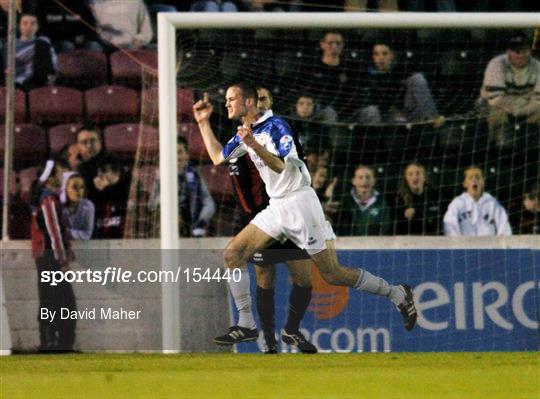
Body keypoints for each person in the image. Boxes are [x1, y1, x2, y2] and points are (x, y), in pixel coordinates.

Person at [192, 82, 417, 346]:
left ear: (249, 102)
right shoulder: (247, 132)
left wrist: (254, 145)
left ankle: (397, 293)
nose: (227, 104)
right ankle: (246, 323)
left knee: (332, 274)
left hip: (300, 203)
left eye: (231, 99)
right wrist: (203, 122)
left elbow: (281, 167)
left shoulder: (278, 127)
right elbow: (218, 156)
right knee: (233, 254)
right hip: (277, 206)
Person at [212, 86, 317, 353]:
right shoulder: (242, 141)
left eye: (264, 99)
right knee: (263, 277)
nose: (259, 104)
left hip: (291, 210)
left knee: (304, 279)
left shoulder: (278, 130)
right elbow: (236, 181)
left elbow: (289, 165)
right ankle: (268, 341)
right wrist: (253, 218)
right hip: (263, 216)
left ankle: (292, 330)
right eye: (255, 99)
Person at [31, 160, 76, 352]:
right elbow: (53, 232)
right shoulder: (48, 201)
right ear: (50, 178)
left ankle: (54, 342)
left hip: (48, 257)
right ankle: (55, 342)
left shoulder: (51, 199)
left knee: (53, 300)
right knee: (60, 301)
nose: (64, 176)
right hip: (50, 259)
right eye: (61, 173)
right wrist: (62, 258)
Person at [354, 41, 444, 127]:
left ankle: (434, 118)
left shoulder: (399, 72)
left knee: (418, 78)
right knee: (374, 112)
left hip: (406, 114)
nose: (380, 58)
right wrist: (392, 110)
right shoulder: (369, 77)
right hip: (384, 117)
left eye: (384, 54)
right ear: (373, 57)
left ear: (391, 55)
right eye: (376, 54)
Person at [479, 32, 540, 147]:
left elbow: (538, 100)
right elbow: (495, 100)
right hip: (498, 106)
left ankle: (531, 148)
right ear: (508, 52)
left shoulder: (538, 66)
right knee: (496, 114)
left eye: (525, 51)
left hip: (526, 107)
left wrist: (522, 110)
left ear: (530, 52)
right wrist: (517, 109)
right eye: (516, 51)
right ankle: (492, 149)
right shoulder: (496, 64)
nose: (520, 55)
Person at [149, 136, 216, 237]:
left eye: (179, 152)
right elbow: (152, 204)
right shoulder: (160, 176)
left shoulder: (195, 175)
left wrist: (202, 220)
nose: (176, 157)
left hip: (192, 223)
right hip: (167, 225)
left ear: (187, 155)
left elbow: (209, 202)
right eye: (172, 152)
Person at [443, 166, 512, 236]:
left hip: (489, 245)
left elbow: (504, 226)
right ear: (464, 183)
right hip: (464, 245)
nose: (474, 180)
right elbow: (449, 226)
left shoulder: (493, 203)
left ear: (483, 182)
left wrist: (500, 243)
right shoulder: (457, 203)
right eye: (470, 177)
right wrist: (456, 244)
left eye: (478, 177)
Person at [2, 12, 56, 89]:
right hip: (13, 84)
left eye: (33, 24)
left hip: (35, 84)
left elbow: (51, 69)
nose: (29, 26)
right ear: (19, 26)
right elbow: (6, 68)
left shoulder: (43, 43)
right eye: (25, 23)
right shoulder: (8, 46)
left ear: (37, 27)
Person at [336, 165, 392, 236]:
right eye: (360, 177)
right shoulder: (344, 201)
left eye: (368, 177)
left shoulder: (383, 202)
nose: (364, 180)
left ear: (374, 181)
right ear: (353, 181)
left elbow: (386, 230)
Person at [394, 162, 443, 235]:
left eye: (418, 173)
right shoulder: (399, 199)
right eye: (410, 174)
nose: (414, 177)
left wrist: (416, 212)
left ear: (424, 177)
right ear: (406, 178)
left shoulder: (435, 196)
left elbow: (439, 215)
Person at [91, 155, 131, 239]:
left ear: (117, 172)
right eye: (98, 171)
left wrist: (103, 191)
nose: (100, 175)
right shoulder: (93, 190)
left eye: (104, 170)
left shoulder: (130, 189)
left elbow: (120, 200)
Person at [88, 0, 152, 49]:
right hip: (102, 47)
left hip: (128, 47)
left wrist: (140, 40)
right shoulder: (93, 2)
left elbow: (146, 31)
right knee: (91, 46)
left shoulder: (136, 2)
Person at [61, 172, 95, 240]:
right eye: (74, 187)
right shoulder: (58, 205)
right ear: (65, 188)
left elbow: (87, 235)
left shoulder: (88, 205)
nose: (79, 191)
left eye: (81, 187)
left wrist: (66, 233)